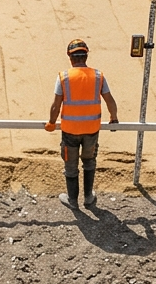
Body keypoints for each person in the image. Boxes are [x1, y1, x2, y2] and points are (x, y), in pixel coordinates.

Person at [45, 39, 119, 209]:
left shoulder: (63, 77)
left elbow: (56, 105)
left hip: (70, 131)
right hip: (91, 130)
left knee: (71, 166)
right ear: (86, 56)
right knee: (89, 162)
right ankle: (88, 198)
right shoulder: (98, 76)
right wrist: (114, 118)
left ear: (70, 57)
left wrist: (51, 123)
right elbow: (109, 100)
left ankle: (72, 200)